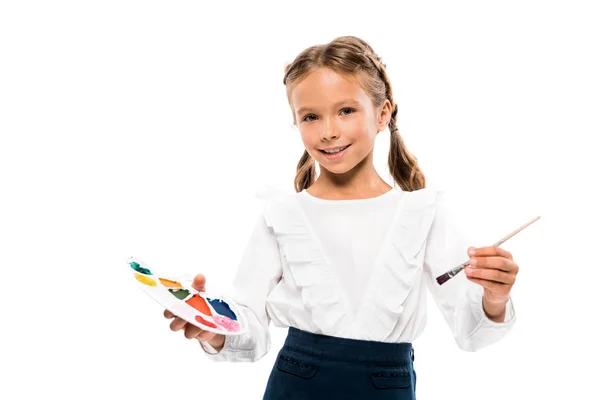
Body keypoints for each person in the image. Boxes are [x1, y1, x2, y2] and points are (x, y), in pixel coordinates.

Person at [164, 35, 518, 399]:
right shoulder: (282, 216)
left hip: (387, 387)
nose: (329, 130)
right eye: (311, 117)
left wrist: (494, 297)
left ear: (383, 114)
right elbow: (250, 329)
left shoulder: (422, 213)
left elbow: (472, 331)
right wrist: (214, 329)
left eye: (346, 110)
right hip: (295, 385)